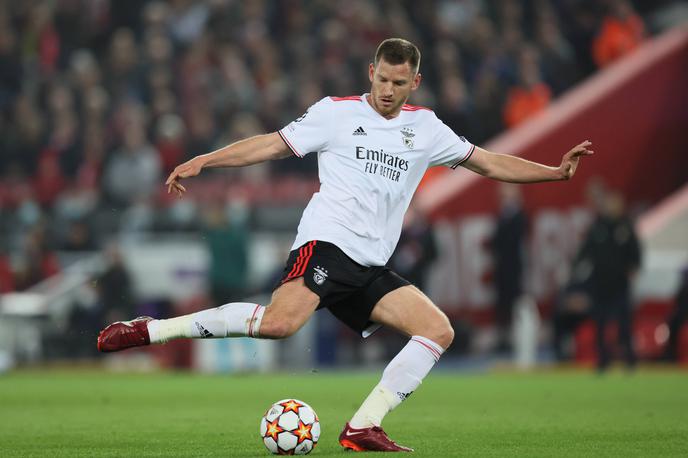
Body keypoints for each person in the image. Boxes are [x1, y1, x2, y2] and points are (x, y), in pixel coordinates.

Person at [97, 38, 593, 452]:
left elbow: (487, 162)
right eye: (382, 79)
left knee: (437, 331)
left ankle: (362, 426)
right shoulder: (334, 114)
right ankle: (152, 331)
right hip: (328, 242)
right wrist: (205, 160)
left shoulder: (425, 129)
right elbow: (270, 143)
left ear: (414, 83)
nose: (389, 91)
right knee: (280, 325)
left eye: (400, 84)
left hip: (372, 263)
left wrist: (553, 173)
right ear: (370, 71)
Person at [578, 190, 640, 372]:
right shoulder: (598, 226)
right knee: (600, 323)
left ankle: (629, 359)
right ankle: (603, 360)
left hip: (620, 283)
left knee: (624, 323)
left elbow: (635, 254)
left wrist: (632, 270)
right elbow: (585, 252)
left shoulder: (626, 227)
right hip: (600, 283)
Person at [491, 184, 528, 353]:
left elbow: (513, 240)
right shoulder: (501, 215)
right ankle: (503, 338)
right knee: (502, 304)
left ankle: (518, 338)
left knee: (515, 303)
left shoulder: (519, 216)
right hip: (502, 267)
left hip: (514, 267)